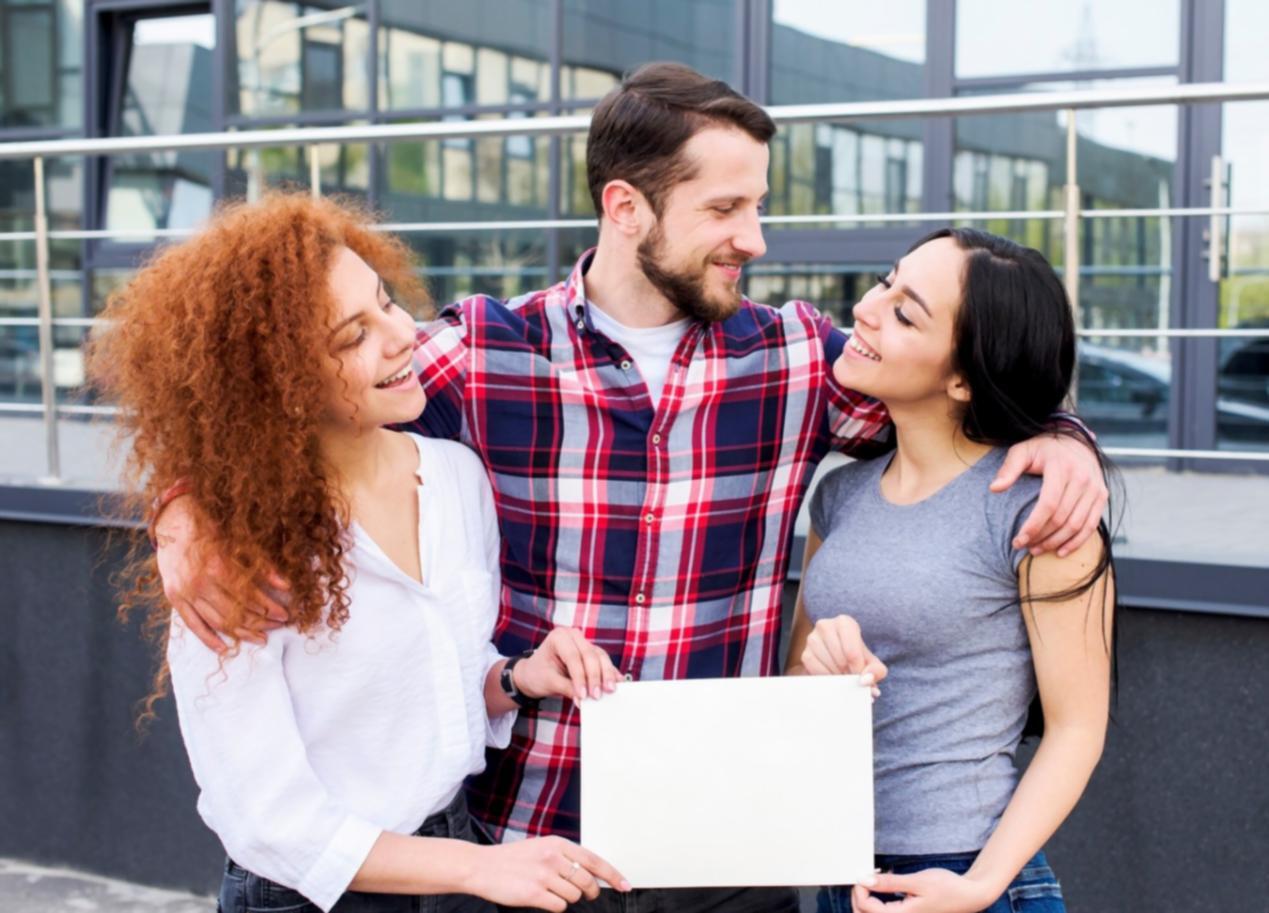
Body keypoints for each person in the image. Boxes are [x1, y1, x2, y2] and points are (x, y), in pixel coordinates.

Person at [150, 64, 1109, 913]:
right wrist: (183, 505)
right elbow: (274, 392)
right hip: (528, 851)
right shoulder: (480, 352)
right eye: (725, 210)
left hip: (730, 853)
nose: (756, 239)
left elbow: (963, 402)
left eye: (758, 206)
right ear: (626, 208)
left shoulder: (797, 360)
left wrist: (1062, 438)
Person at [88, 194, 629, 913]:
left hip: (451, 864)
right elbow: (268, 822)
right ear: (273, 380)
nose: (403, 335)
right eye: (352, 337)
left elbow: (434, 686)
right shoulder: (233, 549)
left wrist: (521, 676)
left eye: (386, 303)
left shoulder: (452, 477)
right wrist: (477, 869)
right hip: (313, 895)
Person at [786, 228, 1116, 913]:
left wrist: (978, 885)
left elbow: (1076, 729)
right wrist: (818, 663)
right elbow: (797, 691)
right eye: (885, 281)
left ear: (963, 376)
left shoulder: (1040, 509)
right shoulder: (840, 494)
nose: (867, 308)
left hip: (960, 873)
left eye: (905, 312)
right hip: (841, 869)